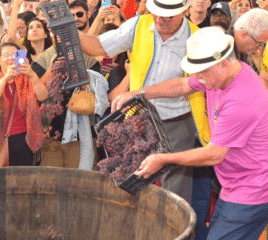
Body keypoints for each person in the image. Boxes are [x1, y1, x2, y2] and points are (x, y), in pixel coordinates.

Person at [130, 26, 268, 240]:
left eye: (202, 71)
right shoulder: (223, 74)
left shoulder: (240, 100)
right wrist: (139, 93)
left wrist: (164, 159)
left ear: (223, 64)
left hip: (253, 189)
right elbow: (183, 85)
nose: (198, 77)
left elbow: (213, 154)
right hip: (235, 183)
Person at [79, 0, 207, 204]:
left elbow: (190, 84)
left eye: (168, 16)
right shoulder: (138, 25)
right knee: (132, 186)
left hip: (176, 124)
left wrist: (140, 92)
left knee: (175, 195)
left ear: (184, 11)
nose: (160, 20)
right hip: (138, 122)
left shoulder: (197, 38)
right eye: (156, 13)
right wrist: (67, 29)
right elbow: (97, 46)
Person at [0, 42, 46, 167]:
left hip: (25, 139)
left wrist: (32, 74)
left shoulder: (27, 77)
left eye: (14, 55)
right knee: (1, 182)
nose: (10, 58)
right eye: (6, 55)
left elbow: (43, 96)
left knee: (24, 183)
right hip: (0, 139)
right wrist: (5, 79)